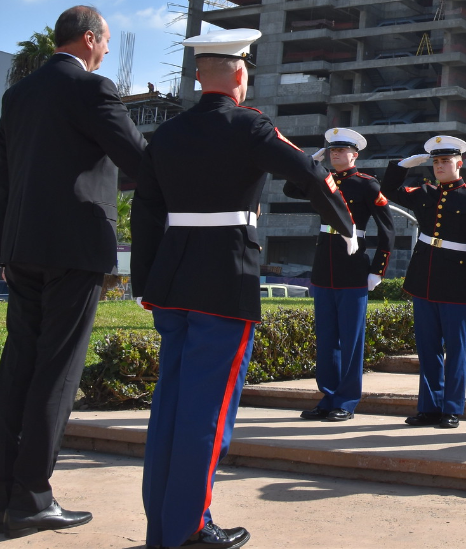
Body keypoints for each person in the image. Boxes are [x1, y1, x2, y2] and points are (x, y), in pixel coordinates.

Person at [131, 29, 356, 549]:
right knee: (207, 410)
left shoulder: (166, 134)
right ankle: (188, 526)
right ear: (239, 74)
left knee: (170, 408)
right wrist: (344, 223)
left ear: (197, 76)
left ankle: (162, 525)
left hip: (171, 281)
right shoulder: (250, 126)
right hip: (224, 277)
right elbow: (310, 172)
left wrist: (146, 282)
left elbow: (146, 212)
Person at [0, 5, 146, 538]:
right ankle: (32, 498)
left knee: (18, 368)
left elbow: (3, 177)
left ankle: (5, 498)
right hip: (74, 248)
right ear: (90, 39)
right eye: (105, 41)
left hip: (21, 248)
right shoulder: (93, 88)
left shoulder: (18, 94)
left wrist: (4, 250)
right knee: (58, 371)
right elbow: (137, 157)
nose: (107, 50)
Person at [381, 135, 466, 429]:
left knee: (455, 349)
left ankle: (452, 408)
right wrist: (401, 166)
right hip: (424, 278)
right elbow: (387, 190)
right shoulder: (424, 192)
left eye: (446, 161)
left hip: (457, 280)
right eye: (436, 161)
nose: (440, 166)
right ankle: (429, 407)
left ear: (459, 163)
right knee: (427, 347)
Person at [284, 127, 394, 422]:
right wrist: (311, 163)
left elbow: (387, 229)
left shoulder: (367, 184)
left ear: (354, 155)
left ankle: (346, 401)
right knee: (326, 339)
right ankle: (328, 397)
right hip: (324, 266)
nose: (335, 155)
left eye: (341, 151)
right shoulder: (323, 179)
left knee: (350, 340)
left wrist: (378, 269)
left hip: (352, 267)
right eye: (332, 151)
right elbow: (290, 190)